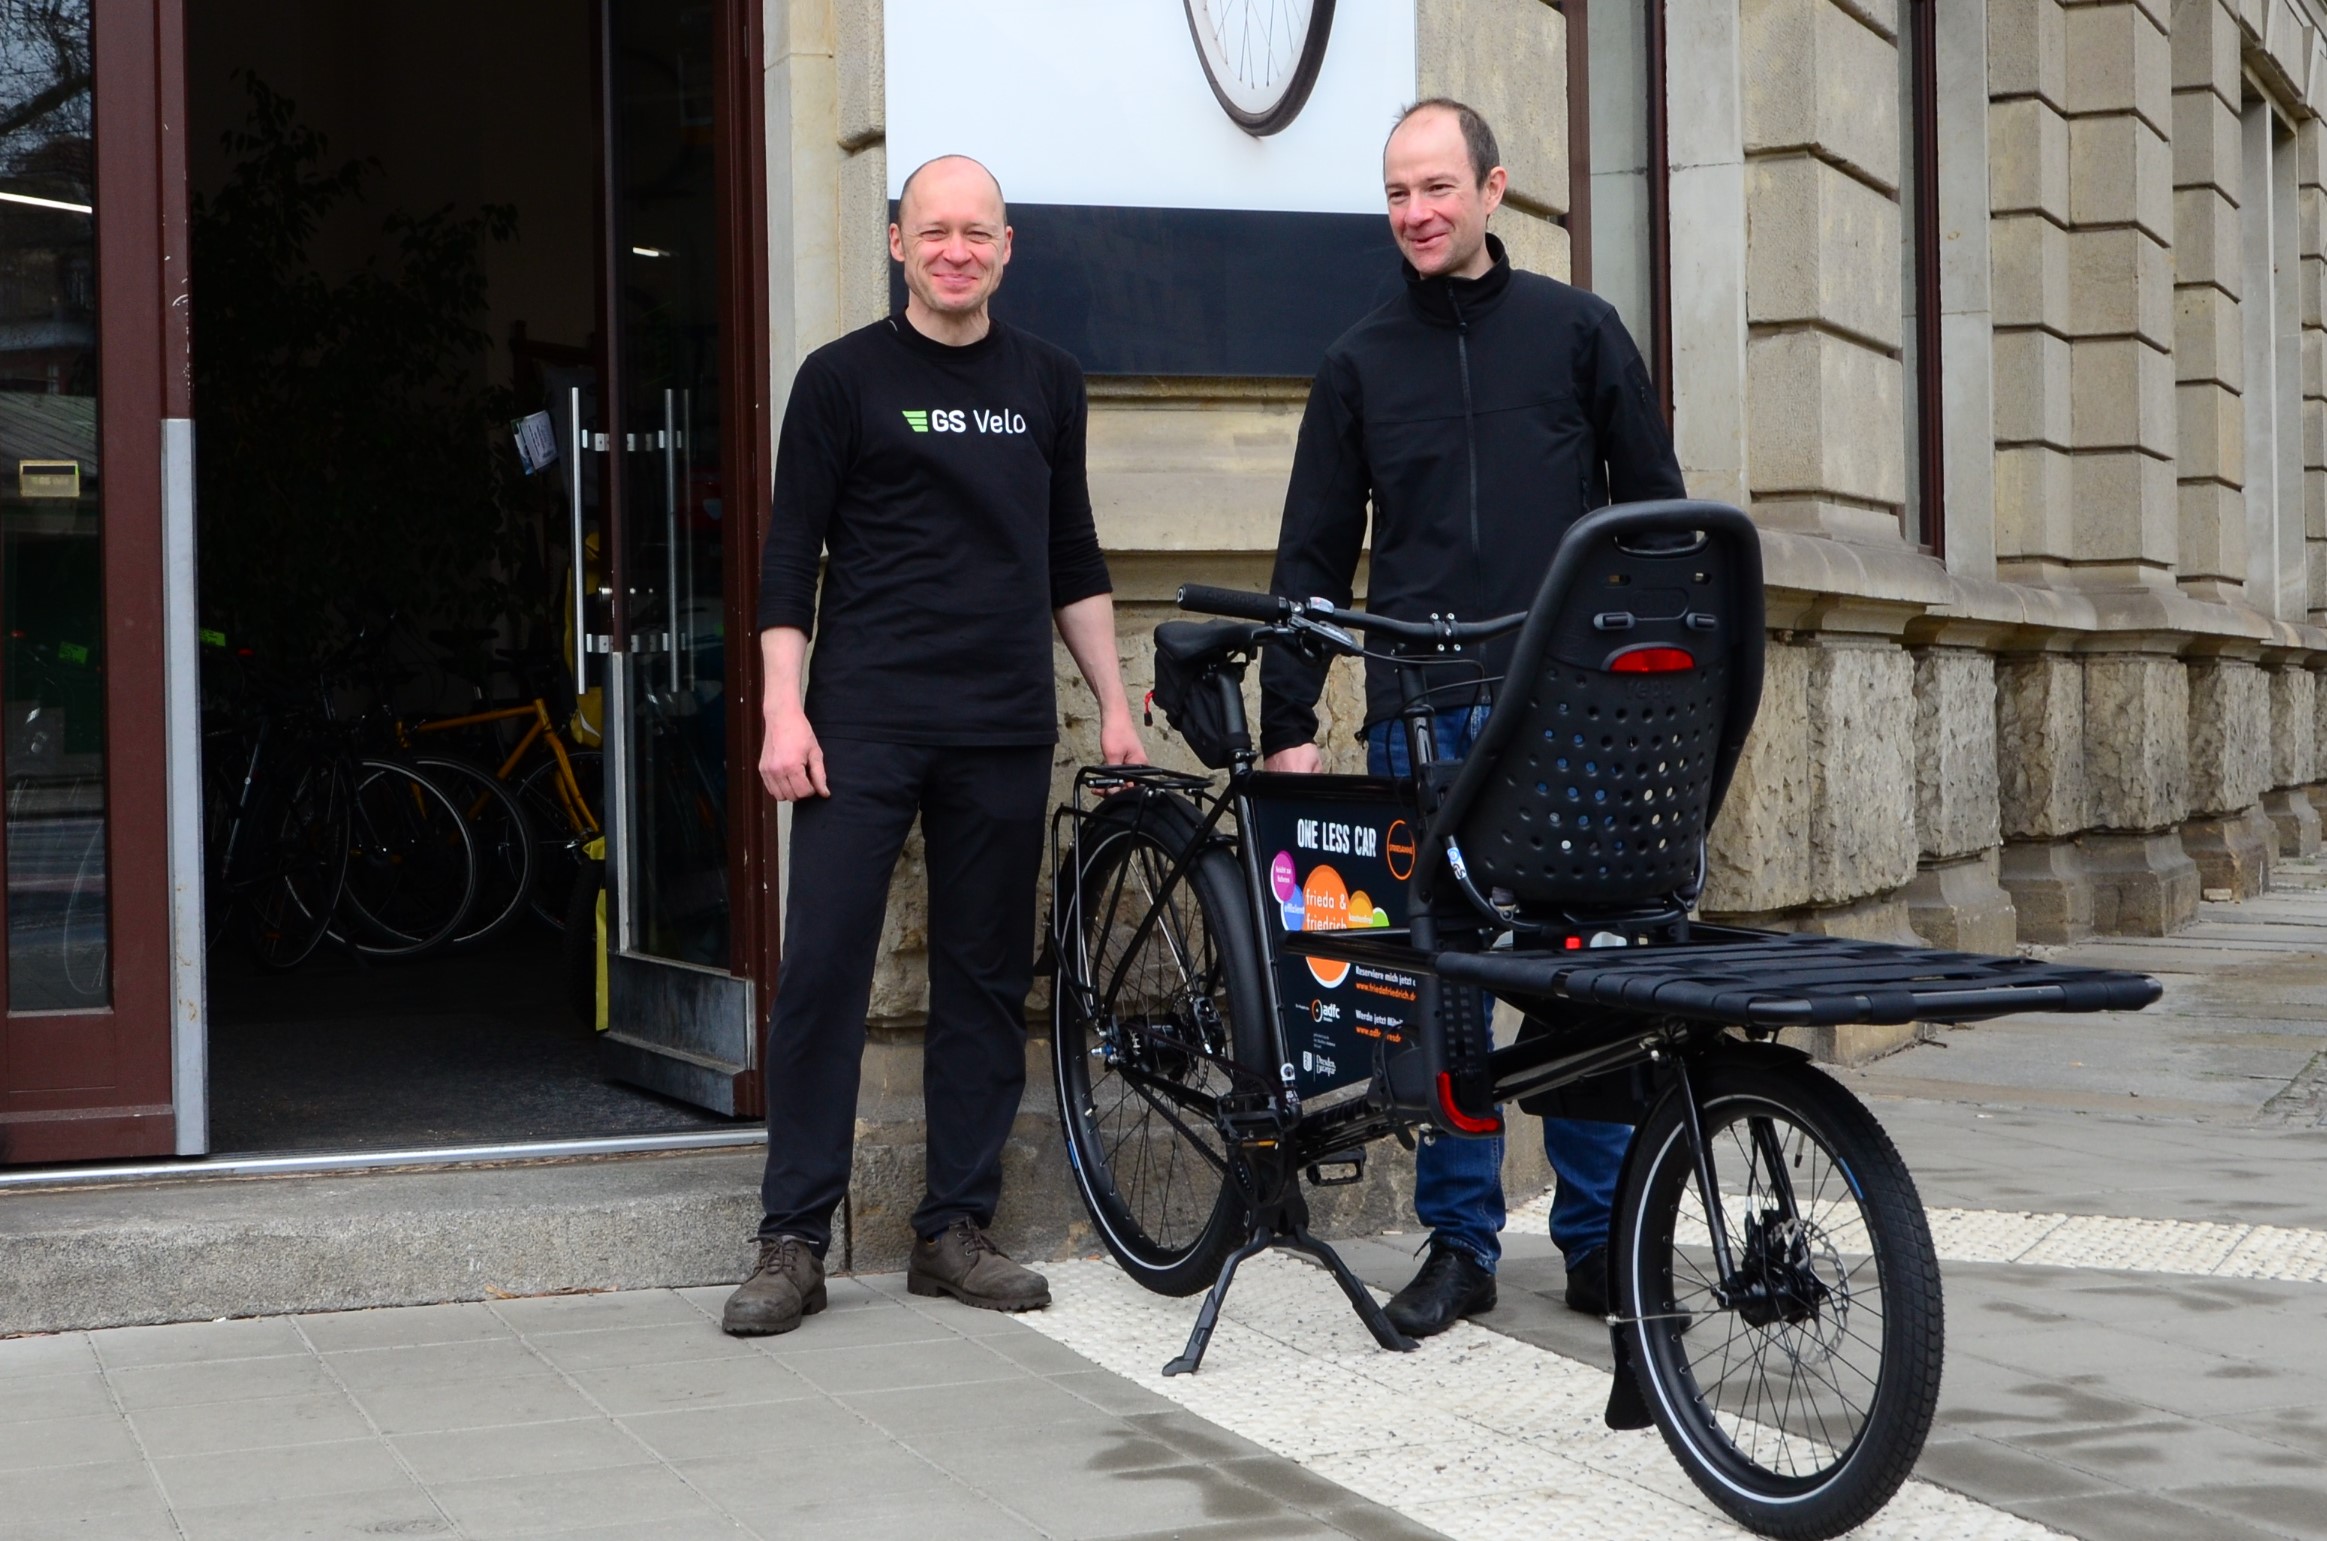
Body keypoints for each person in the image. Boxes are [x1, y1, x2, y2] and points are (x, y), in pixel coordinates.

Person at [1259, 99, 1685, 1338]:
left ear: (1494, 189)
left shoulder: (1579, 334)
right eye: (1396, 193)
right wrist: (1293, 716)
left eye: (1437, 187)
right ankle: (1459, 1243)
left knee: (1580, 979)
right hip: (1417, 716)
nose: (1416, 213)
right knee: (1441, 993)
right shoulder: (1355, 362)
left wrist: (1648, 695)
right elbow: (1312, 555)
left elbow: (1652, 522)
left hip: (1567, 717)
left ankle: (1601, 1238)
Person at [725, 155, 1146, 1336]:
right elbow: (786, 556)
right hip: (860, 721)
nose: (955, 248)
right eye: (933, 230)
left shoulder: (1047, 382)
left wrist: (1111, 702)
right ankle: (793, 1237)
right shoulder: (840, 379)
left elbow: (1074, 554)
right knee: (820, 973)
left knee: (979, 980)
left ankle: (951, 1229)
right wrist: (782, 706)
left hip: (1002, 723)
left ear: (1006, 246)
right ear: (898, 244)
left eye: (976, 231)